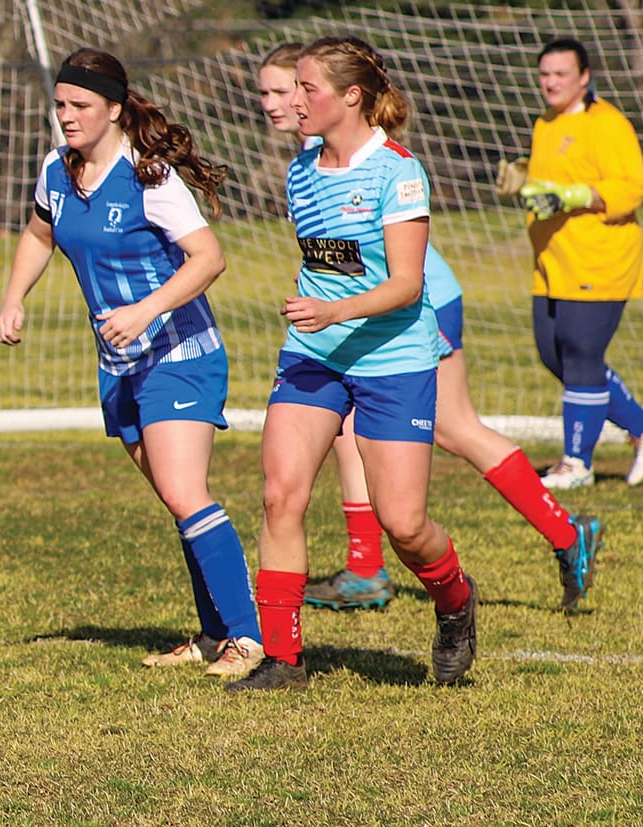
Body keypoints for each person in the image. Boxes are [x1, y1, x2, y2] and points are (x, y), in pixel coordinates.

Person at [256, 44, 602, 615]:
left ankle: (567, 533)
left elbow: (398, 270)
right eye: (268, 93)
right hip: (358, 316)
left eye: (286, 89)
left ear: (345, 95)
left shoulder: (373, 159)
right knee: (346, 428)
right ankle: (366, 567)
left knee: (455, 428)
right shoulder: (312, 160)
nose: (277, 103)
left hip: (419, 304)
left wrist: (342, 309)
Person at [0, 49, 263, 681]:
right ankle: (214, 633)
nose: (66, 116)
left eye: (80, 105)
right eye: (60, 105)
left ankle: (248, 639)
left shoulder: (150, 178)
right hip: (118, 363)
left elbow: (208, 259)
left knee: (184, 492)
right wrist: (13, 298)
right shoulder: (56, 172)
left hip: (179, 354)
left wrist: (146, 310)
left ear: (114, 109)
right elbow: (39, 233)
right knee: (178, 501)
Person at [232, 36, 478, 692]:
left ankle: (455, 602)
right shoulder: (302, 170)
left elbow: (404, 284)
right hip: (314, 354)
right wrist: (323, 312)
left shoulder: (398, 172)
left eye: (304, 88)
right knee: (280, 492)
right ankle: (283, 658)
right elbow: (330, 261)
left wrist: (335, 311)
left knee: (403, 522)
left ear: (350, 96)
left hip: (392, 358)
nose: (291, 101)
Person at [517, 36, 643, 492]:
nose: (550, 83)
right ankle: (641, 428)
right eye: (544, 74)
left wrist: (579, 195)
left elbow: (630, 188)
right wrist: (521, 182)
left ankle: (576, 462)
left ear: (584, 77)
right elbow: (547, 184)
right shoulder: (544, 123)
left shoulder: (607, 123)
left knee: (582, 355)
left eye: (560, 74)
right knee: (556, 356)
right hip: (552, 263)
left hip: (599, 260)